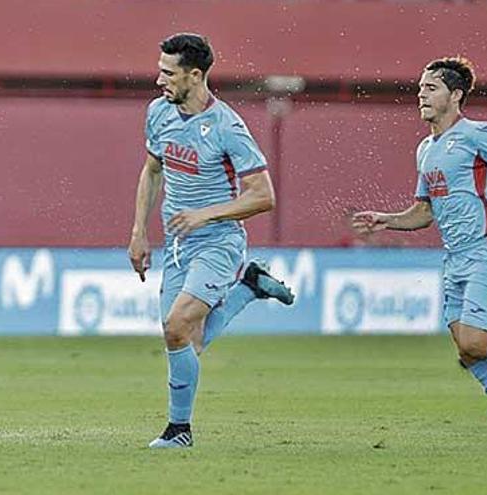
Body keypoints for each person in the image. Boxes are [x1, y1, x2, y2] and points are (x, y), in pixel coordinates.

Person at [353, 57, 487, 445]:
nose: (421, 94)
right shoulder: (425, 149)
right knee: (469, 355)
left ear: (455, 95)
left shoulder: (476, 134)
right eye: (419, 87)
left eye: (430, 88)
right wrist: (386, 219)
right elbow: (423, 213)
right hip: (453, 260)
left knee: (475, 344)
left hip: (485, 251)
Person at [129, 33, 295, 449]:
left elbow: (263, 196)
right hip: (179, 244)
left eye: (168, 73)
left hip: (219, 243)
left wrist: (205, 213)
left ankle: (178, 430)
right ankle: (249, 287)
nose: (159, 80)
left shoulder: (227, 128)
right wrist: (138, 232)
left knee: (177, 326)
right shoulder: (158, 113)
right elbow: (152, 171)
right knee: (187, 340)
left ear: (195, 75)